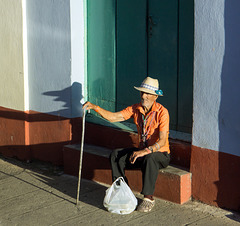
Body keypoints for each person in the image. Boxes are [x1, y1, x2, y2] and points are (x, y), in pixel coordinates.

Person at [83, 77, 170, 212]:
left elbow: (162, 141)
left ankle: (148, 198)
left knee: (150, 158)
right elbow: (114, 117)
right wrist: (96, 108)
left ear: (155, 96)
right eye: (142, 92)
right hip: (142, 152)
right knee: (116, 155)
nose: (144, 96)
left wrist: (144, 151)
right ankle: (122, 192)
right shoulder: (135, 109)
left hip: (160, 155)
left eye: (147, 93)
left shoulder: (162, 112)